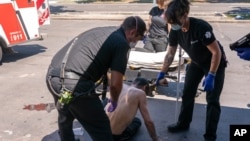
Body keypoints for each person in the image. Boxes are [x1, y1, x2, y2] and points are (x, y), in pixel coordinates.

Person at [45, 16, 146, 141]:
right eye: (137, 39)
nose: (135, 43)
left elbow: (106, 71)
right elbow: (115, 84)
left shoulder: (106, 31)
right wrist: (114, 101)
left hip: (53, 77)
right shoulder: (121, 44)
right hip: (75, 84)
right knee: (102, 129)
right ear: (132, 32)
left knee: (65, 117)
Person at [155, 0, 227, 141]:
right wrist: (162, 72)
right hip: (196, 62)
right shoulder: (175, 30)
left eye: (176, 21)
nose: (173, 25)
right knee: (187, 93)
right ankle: (183, 123)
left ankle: (210, 135)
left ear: (185, 14)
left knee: (212, 99)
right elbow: (170, 53)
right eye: (171, 22)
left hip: (214, 63)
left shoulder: (201, 27)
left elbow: (216, 52)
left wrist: (211, 75)